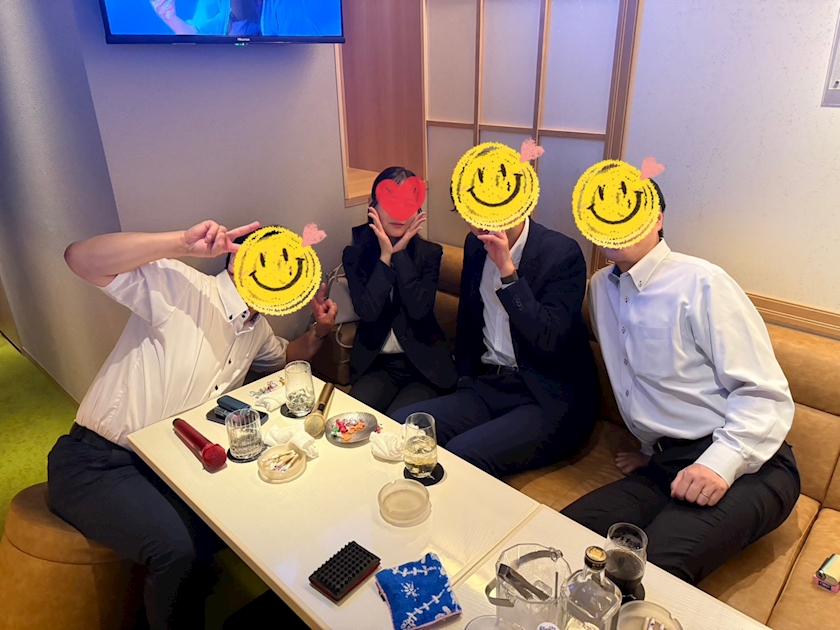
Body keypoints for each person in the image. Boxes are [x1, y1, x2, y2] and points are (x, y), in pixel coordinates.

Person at [46, 219, 337, 629]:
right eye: (269, 261)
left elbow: (285, 357)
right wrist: (180, 243)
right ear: (238, 262)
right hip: (96, 461)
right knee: (177, 549)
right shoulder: (181, 288)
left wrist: (320, 331)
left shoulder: (255, 327)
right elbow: (79, 258)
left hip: (171, 466)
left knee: (249, 515)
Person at [562, 185, 800, 585]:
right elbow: (640, 382)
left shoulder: (702, 282)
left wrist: (720, 462)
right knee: (564, 537)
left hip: (750, 461)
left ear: (657, 218)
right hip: (667, 463)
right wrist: (650, 448)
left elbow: (763, 392)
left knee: (648, 576)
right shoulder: (601, 286)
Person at [391, 213, 598, 478]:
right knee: (402, 427)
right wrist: (464, 380)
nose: (481, 219)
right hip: (491, 383)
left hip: (546, 395)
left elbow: (549, 338)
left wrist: (507, 273)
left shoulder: (562, 253)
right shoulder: (475, 244)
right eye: (469, 209)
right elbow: (469, 318)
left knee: (460, 455)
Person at [343, 167, 457, 415]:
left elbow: (419, 311)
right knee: (352, 419)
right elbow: (368, 311)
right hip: (378, 365)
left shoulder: (430, 254)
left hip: (423, 367)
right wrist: (385, 257)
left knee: (398, 423)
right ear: (372, 204)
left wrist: (400, 254)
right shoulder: (355, 255)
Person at [149, 0, 340, 37]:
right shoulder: (214, 3)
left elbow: (300, 46)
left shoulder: (286, 4)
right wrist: (169, 17)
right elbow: (195, 34)